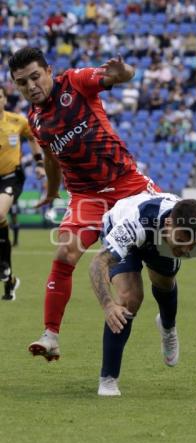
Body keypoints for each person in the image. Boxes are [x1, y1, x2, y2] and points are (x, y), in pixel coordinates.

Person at [8, 47, 160, 361]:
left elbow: (113, 75)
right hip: (86, 196)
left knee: (165, 251)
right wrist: (51, 193)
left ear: (49, 71)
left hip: (127, 185)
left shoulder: (75, 83)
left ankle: (167, 318)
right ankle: (51, 335)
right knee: (65, 253)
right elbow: (52, 161)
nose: (31, 86)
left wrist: (123, 72)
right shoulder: (35, 120)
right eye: (22, 83)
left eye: (35, 76)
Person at [89, 192, 196, 396]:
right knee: (129, 298)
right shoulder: (138, 220)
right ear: (169, 224)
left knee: (164, 282)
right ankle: (108, 379)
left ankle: (168, 329)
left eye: (191, 245)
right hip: (122, 227)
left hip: (160, 244)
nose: (185, 249)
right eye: (181, 240)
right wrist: (108, 305)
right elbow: (98, 263)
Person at [0, 85, 44, 300]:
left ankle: (4, 264)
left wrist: (39, 163)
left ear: (4, 99)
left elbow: (33, 138)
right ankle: (9, 280)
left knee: (0, 214)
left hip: (11, 177)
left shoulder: (17, 121)